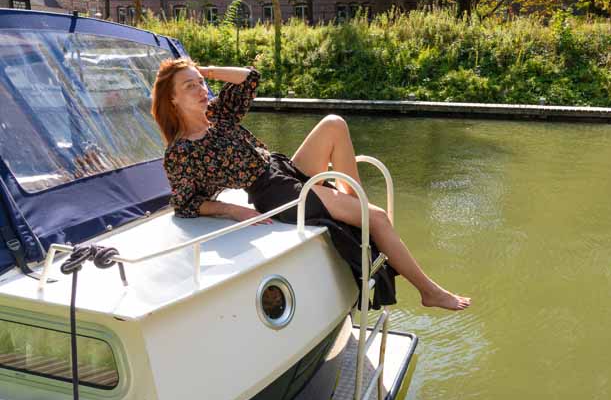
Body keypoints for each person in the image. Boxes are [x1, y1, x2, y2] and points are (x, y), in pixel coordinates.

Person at [151, 58, 470, 311]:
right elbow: (186, 203)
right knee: (377, 218)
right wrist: (234, 210)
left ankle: (353, 204)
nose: (200, 88)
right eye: (189, 86)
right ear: (173, 99)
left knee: (334, 124)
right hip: (274, 192)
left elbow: (250, 76)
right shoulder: (182, 151)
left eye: (201, 83)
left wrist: (200, 69)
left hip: (281, 167)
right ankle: (429, 292)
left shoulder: (218, 115)